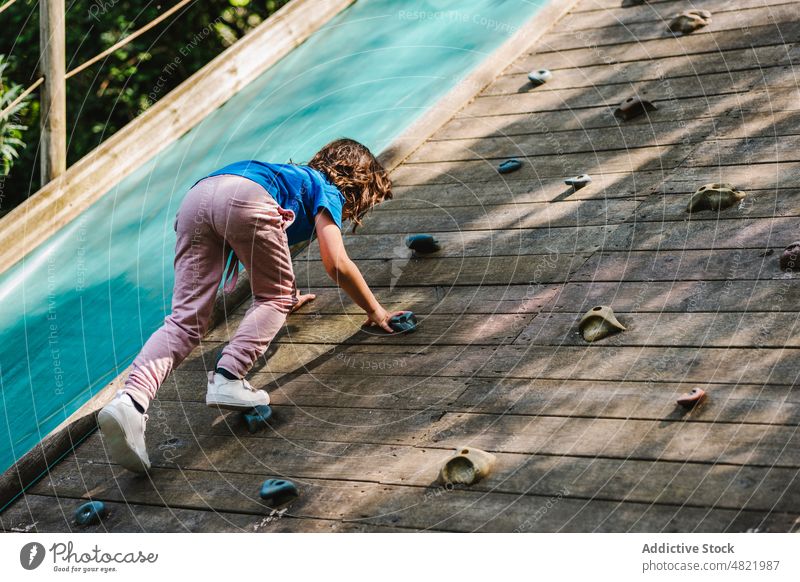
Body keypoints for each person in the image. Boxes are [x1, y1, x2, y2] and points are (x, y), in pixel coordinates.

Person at [98, 138, 400, 473]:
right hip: (244, 198)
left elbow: (268, 248)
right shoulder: (326, 187)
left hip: (197, 200)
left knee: (185, 320)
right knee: (274, 298)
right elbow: (337, 263)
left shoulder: (292, 179)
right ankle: (228, 378)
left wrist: (290, 291)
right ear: (355, 184)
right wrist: (376, 311)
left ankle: (130, 402)